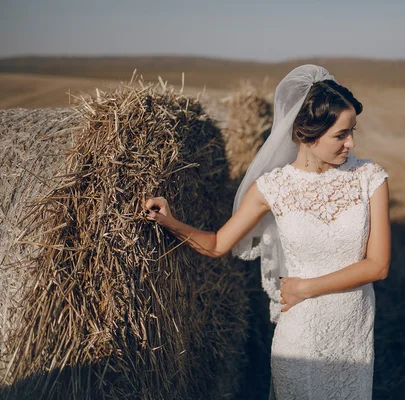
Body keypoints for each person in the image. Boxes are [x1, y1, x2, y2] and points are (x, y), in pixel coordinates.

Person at [143, 64, 391, 399]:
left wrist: (305, 287)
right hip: (299, 341)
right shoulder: (272, 188)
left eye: (352, 131)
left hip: (352, 340)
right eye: (341, 134)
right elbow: (217, 244)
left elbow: (377, 266)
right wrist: (169, 221)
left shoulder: (369, 178)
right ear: (307, 133)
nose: (351, 143)